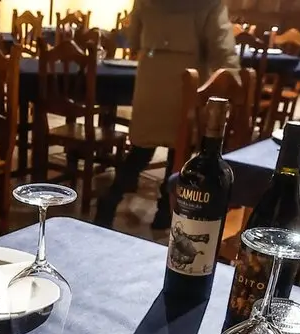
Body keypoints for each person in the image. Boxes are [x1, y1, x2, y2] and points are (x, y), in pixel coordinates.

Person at [93, 0, 238, 230]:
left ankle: (109, 202)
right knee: (179, 153)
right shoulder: (210, 4)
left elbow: (132, 37)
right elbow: (222, 49)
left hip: (151, 81)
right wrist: (235, 84)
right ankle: (164, 210)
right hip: (188, 83)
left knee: (140, 149)